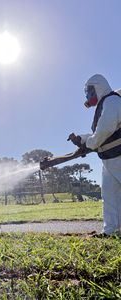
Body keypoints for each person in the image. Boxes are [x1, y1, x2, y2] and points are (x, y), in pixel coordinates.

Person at [70, 74, 121, 236]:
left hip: (119, 156)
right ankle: (110, 231)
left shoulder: (112, 101)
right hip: (108, 159)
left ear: (98, 87)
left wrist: (89, 143)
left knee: (112, 196)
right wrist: (82, 139)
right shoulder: (103, 105)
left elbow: (104, 130)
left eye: (89, 91)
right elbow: (97, 134)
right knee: (109, 196)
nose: (88, 96)